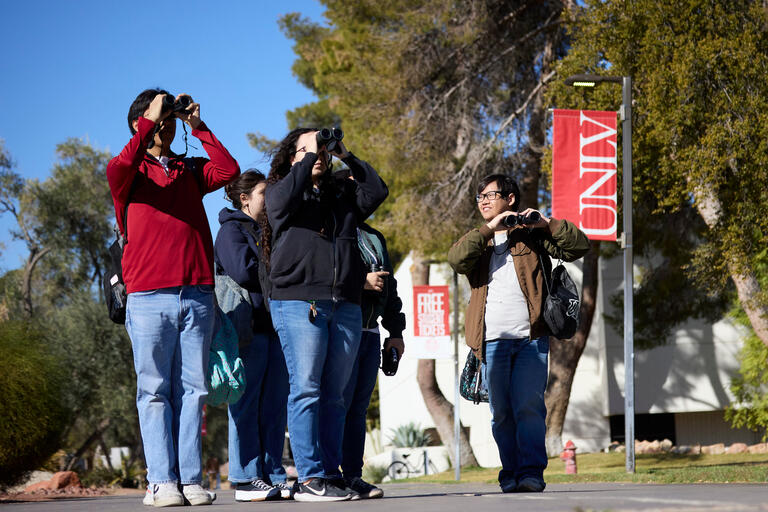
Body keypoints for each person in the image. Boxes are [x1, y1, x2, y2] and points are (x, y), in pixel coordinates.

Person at [107, 88, 239, 507]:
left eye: (169, 116)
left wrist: (197, 126)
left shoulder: (187, 169)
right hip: (146, 296)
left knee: (194, 390)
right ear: (139, 123)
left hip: (197, 292)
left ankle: (190, 480)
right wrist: (151, 118)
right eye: (159, 116)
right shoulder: (128, 174)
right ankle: (161, 481)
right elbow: (120, 165)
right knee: (154, 391)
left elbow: (228, 170)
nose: (167, 121)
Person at [264, 128, 388, 502]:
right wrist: (306, 158)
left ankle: (332, 475)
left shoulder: (341, 196)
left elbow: (377, 191)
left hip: (345, 304)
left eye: (323, 149)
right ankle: (309, 477)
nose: (319, 154)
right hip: (300, 301)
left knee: (336, 396)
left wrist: (345, 153)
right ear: (292, 157)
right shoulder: (282, 192)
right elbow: (279, 204)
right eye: (309, 149)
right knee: (306, 390)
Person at [447, 174, 589, 494]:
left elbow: (578, 246)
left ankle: (531, 473)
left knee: (529, 407)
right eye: (479, 197)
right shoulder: (478, 239)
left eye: (490, 195)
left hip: (530, 338)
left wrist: (548, 223)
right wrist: (489, 227)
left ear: (510, 198)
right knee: (501, 414)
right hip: (491, 341)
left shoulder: (532, 235)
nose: (483, 201)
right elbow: (456, 260)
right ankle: (509, 472)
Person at [214, 170, 290, 502]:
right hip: (247, 330)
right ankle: (245, 477)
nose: (269, 199)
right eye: (263, 193)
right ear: (244, 198)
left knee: (275, 406)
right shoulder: (230, 231)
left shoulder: (269, 232)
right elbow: (244, 272)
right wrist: (283, 269)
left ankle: (273, 474)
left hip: (276, 329)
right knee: (245, 404)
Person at [334, 168, 405, 499]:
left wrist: (395, 330)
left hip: (370, 332)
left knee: (358, 407)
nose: (357, 194)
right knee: (337, 403)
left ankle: (353, 475)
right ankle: (328, 474)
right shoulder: (330, 229)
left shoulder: (374, 236)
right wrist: (360, 282)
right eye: (350, 188)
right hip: (339, 329)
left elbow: (391, 287)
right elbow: (322, 274)